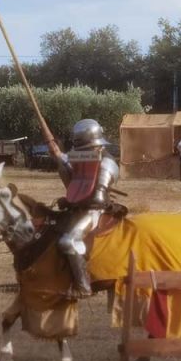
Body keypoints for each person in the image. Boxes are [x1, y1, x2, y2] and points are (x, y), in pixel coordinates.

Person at [54, 118, 119, 298]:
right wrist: (59, 160)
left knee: (68, 241)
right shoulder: (83, 159)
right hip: (78, 209)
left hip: (95, 211)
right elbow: (74, 180)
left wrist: (70, 202)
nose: (81, 153)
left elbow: (97, 199)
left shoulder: (107, 163)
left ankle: (83, 287)